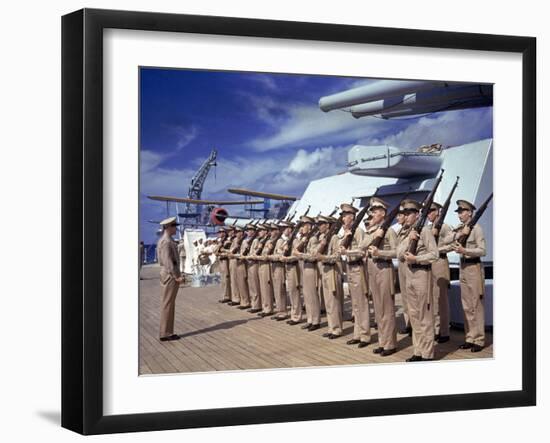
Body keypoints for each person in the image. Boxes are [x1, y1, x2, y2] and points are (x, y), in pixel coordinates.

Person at [396, 200, 439, 362]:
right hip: (409, 276)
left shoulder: (426, 231)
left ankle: (428, 354)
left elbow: (434, 254)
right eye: (404, 214)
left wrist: (417, 258)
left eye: (409, 214)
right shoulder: (406, 232)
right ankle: (418, 351)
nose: (406, 217)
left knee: (425, 316)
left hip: (422, 274)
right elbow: (399, 254)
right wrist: (409, 239)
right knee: (413, 315)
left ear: (417, 215)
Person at [365, 197, 398, 357]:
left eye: (375, 212)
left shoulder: (390, 231)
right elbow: (362, 246)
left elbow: (396, 252)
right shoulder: (372, 231)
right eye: (372, 212)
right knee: (378, 309)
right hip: (372, 268)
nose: (372, 215)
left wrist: (381, 253)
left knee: (386, 308)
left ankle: (390, 344)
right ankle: (382, 342)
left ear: (383, 213)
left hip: (384, 268)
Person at [452, 199, 487, 352]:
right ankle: (470, 337)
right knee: (466, 306)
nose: (459, 215)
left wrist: (465, 251)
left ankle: (479, 340)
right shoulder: (460, 228)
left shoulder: (477, 229)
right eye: (458, 212)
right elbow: (451, 242)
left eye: (462, 212)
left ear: (470, 213)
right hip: (463, 267)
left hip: (474, 267)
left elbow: (482, 250)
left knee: (476, 305)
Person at [339, 203, 371, 348]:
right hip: (350, 269)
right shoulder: (347, 232)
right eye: (342, 216)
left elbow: (362, 251)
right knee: (355, 305)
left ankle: (365, 336)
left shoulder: (358, 231)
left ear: (352, 217)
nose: (343, 218)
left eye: (345, 216)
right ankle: (357, 334)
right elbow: (339, 249)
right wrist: (344, 237)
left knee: (362, 304)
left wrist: (348, 252)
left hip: (358, 267)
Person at [427, 202, 455, 343]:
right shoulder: (429, 227)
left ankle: (444, 331)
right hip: (430, 264)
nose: (429, 213)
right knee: (433, 299)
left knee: (441, 300)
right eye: (427, 211)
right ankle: (437, 329)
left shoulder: (444, 227)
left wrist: (439, 249)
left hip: (440, 263)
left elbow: (454, 244)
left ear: (438, 211)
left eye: (431, 210)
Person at [316, 215, 344, 339]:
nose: (319, 226)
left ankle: (337, 329)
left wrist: (324, 258)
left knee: (333, 302)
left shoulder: (334, 237)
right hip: (325, 270)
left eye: (321, 224)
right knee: (327, 302)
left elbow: (337, 256)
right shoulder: (322, 237)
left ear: (327, 225)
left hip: (333, 270)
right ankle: (331, 327)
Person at [156, 217, 183, 342]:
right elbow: (168, 262)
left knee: (169, 303)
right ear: (168, 227)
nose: (176, 228)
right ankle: (165, 333)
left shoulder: (167, 240)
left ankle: (168, 331)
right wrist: (176, 276)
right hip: (170, 275)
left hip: (168, 274)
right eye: (174, 226)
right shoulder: (166, 241)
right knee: (167, 304)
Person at [294, 216, 321, 331]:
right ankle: (310, 319)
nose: (301, 228)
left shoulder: (313, 239)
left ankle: (315, 321)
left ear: (308, 226)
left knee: (312, 295)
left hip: (310, 268)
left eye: (302, 226)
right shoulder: (304, 239)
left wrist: (300, 255)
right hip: (304, 267)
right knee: (306, 295)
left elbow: (312, 256)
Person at [280, 222, 303, 325]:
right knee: (291, 291)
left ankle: (296, 316)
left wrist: (288, 258)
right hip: (288, 267)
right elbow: (281, 251)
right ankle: (294, 315)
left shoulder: (295, 241)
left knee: (294, 292)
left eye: (286, 228)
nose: (284, 229)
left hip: (293, 267)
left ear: (290, 229)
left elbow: (298, 255)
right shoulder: (288, 241)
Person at [271, 221, 291, 321]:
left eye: (286, 228)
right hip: (276, 265)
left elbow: (281, 253)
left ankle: (283, 312)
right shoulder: (279, 240)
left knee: (281, 290)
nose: (284, 230)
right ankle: (280, 311)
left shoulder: (287, 240)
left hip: (282, 266)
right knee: (277, 290)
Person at [246, 225, 263, 314]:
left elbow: (255, 252)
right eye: (248, 230)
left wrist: (248, 256)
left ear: (253, 231)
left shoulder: (255, 240)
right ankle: (254, 304)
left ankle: (256, 305)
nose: (248, 232)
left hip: (254, 264)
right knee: (252, 285)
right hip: (250, 263)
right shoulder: (251, 240)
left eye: (250, 230)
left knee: (255, 285)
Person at [215, 227, 232, 303]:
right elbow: (215, 251)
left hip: (225, 261)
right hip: (221, 260)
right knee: (222, 279)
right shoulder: (220, 241)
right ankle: (224, 295)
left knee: (226, 279)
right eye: (219, 232)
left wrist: (222, 250)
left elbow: (229, 251)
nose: (219, 233)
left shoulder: (227, 241)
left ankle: (227, 296)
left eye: (221, 232)